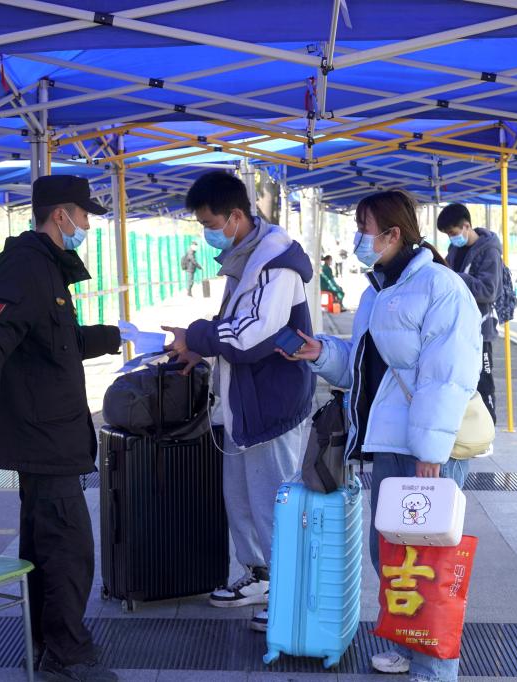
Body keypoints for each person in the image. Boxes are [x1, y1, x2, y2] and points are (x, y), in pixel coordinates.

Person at [286, 190, 481, 681]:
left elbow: (447, 374)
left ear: (393, 234)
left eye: (364, 228)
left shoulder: (440, 286)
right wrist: (322, 354)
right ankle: (407, 645)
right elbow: (367, 367)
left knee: (430, 558)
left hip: (426, 446)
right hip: (390, 440)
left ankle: (435, 667)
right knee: (391, 553)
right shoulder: (379, 289)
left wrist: (431, 452)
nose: (358, 237)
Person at [0, 175, 122, 682]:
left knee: (46, 545)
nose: (87, 225)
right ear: (61, 215)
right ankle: (68, 655)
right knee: (68, 549)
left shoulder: (47, 265)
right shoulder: (25, 263)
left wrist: (117, 336)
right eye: (84, 215)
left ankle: (48, 642)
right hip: (43, 437)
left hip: (50, 431)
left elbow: (56, 341)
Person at [162, 170, 316, 633]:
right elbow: (234, 324)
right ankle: (259, 576)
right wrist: (199, 350)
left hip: (272, 402)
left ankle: (289, 593)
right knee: (242, 499)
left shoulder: (275, 263)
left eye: (210, 224)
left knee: (272, 501)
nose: (207, 234)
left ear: (234, 216)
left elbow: (250, 335)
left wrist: (196, 336)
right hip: (243, 401)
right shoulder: (244, 257)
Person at [437, 203, 502, 425]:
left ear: (467, 226)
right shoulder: (455, 249)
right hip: (459, 326)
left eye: (453, 232)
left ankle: (488, 427)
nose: (451, 238)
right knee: (463, 379)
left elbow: (489, 290)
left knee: (484, 382)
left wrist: (457, 278)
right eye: (447, 234)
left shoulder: (490, 251)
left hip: (481, 329)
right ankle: (469, 428)